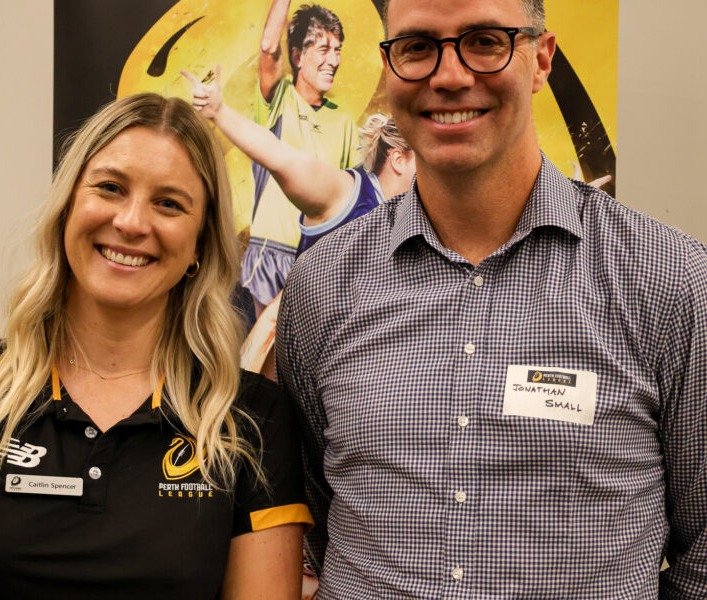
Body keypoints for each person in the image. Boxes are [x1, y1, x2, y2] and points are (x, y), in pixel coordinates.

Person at [276, 0, 707, 598]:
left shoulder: (667, 277)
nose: (450, 76)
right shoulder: (322, 284)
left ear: (541, 60)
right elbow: (321, 515)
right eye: (417, 47)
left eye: (484, 41)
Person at [0, 94, 312, 599]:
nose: (131, 222)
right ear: (67, 208)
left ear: (200, 245)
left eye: (169, 203)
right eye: (110, 188)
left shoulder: (252, 418)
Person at [185, 66, 415, 379]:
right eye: (426, 158)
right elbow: (278, 155)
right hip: (302, 363)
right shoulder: (344, 193)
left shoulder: (415, 221)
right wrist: (219, 112)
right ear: (399, 159)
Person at [243, 0, 360, 314]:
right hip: (272, 256)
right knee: (268, 346)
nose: (334, 60)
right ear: (298, 56)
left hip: (321, 263)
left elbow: (354, 200)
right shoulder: (279, 99)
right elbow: (269, 48)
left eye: (337, 50)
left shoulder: (345, 122)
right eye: (324, 49)